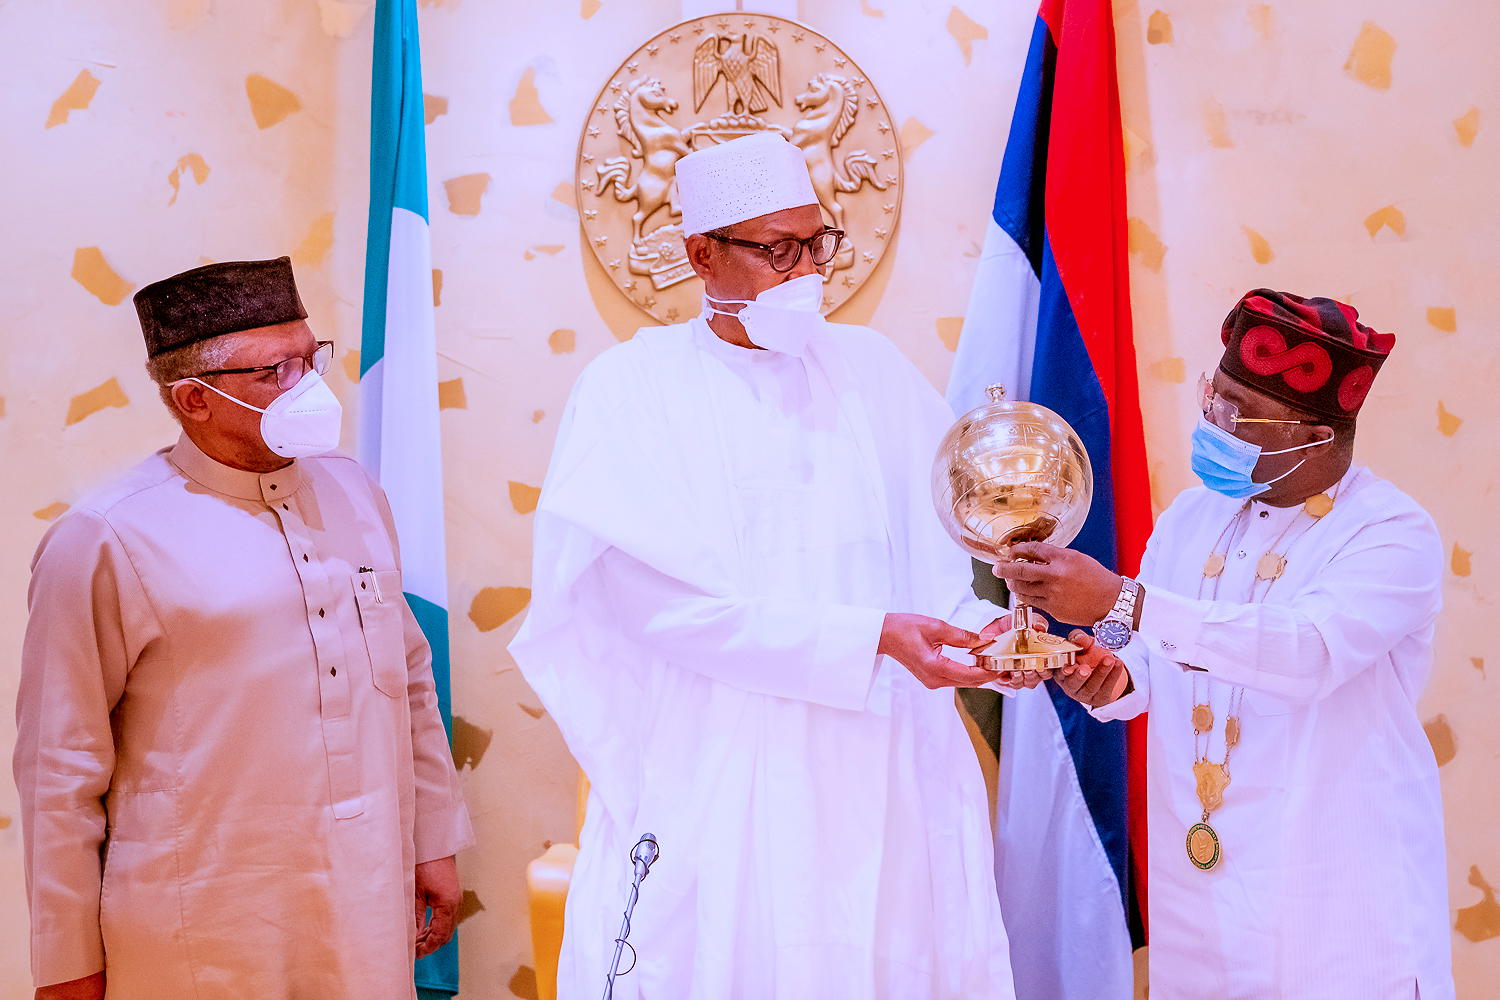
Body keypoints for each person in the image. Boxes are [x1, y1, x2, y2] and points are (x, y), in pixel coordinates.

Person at [510, 132, 1019, 998]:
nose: (805, 273)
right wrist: (870, 638)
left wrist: (986, 635)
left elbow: (944, 561)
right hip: (720, 759)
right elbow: (652, 607)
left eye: (814, 244)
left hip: (883, 758)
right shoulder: (633, 389)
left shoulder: (873, 370)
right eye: (776, 249)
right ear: (701, 255)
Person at [15, 257, 474, 1000]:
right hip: (203, 923)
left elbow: (409, 679)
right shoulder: (104, 538)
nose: (310, 388)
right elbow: (58, 771)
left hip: (366, 896)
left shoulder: (354, 492)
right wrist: (67, 963)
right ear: (193, 399)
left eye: (310, 358)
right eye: (274, 372)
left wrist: (434, 844)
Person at [994, 289, 1454, 999]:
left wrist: (1123, 599)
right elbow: (1145, 653)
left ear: (1313, 435)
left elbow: (1306, 652)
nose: (1214, 422)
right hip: (1201, 893)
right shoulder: (1192, 515)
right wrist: (1107, 674)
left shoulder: (1392, 533)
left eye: (1240, 414)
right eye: (1216, 397)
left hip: (1333, 896)